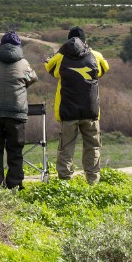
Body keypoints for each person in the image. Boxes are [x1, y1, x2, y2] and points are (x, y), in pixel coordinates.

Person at [44, 26, 110, 185]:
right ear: (85, 40)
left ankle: (65, 182)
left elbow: (49, 68)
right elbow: (104, 69)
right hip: (91, 110)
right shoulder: (95, 56)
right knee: (92, 147)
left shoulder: (60, 57)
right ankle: (93, 181)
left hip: (67, 111)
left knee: (66, 147)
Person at [0, 31, 38, 190]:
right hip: (16, 113)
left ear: (1, 45)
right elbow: (33, 78)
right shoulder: (24, 63)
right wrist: (20, 87)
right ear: (18, 46)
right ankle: (15, 185)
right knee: (15, 150)